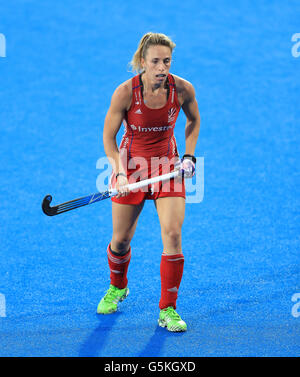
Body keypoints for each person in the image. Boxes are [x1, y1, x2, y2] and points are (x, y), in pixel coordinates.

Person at [97, 32, 200, 332]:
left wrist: (190, 157)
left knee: (172, 233)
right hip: (132, 168)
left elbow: (193, 121)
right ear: (142, 62)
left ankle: (167, 309)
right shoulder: (125, 93)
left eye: (166, 61)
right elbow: (109, 137)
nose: (161, 67)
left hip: (168, 167)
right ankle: (118, 286)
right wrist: (119, 173)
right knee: (121, 241)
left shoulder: (182, 89)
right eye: (155, 61)